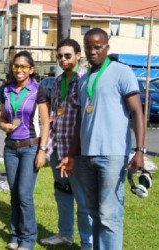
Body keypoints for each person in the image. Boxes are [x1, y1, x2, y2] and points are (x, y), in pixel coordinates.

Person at [58, 28, 145, 250]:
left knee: (110, 216)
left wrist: (140, 150)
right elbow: (79, 121)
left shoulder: (121, 72)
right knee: (93, 213)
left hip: (112, 156)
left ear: (107, 47)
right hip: (86, 157)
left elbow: (137, 112)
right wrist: (71, 154)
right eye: (89, 47)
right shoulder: (84, 80)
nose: (93, 51)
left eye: (98, 46)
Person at [40, 39, 93, 249]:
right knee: (62, 193)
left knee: (83, 200)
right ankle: (65, 234)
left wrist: (74, 153)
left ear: (78, 55)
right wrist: (45, 145)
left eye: (67, 55)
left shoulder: (85, 81)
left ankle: (88, 242)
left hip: (77, 152)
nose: (63, 59)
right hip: (58, 148)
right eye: (59, 56)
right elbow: (55, 115)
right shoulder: (57, 81)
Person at [0, 51, 49, 250]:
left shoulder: (38, 91)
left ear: (31, 69)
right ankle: (15, 235)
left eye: (23, 66)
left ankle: (28, 239)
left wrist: (42, 150)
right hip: (10, 148)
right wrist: (4, 126)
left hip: (31, 147)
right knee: (14, 194)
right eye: (16, 66)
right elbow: (2, 117)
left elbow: (45, 123)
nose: (19, 70)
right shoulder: (6, 90)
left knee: (24, 194)